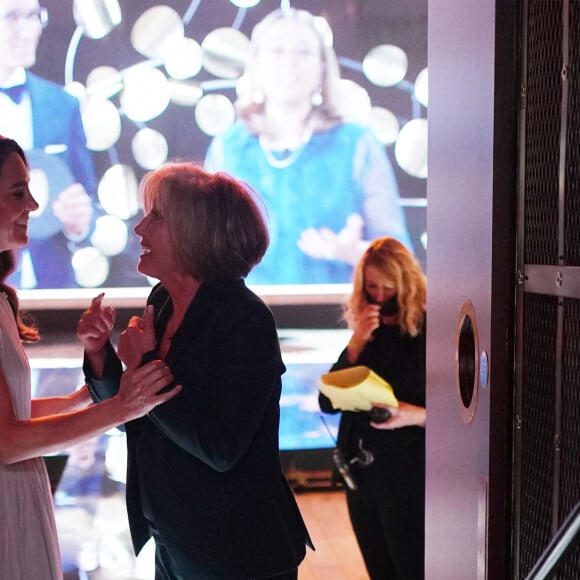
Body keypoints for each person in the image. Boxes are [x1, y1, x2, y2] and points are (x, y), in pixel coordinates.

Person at [77, 162, 313, 579]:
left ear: (196, 232)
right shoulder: (162, 300)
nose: (139, 230)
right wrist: (100, 354)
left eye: (157, 217)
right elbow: (134, 413)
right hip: (174, 543)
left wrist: (145, 363)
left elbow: (220, 446)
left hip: (238, 555)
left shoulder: (246, 320)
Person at [0, 135, 180, 579]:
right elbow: (7, 441)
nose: (35, 204)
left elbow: (15, 416)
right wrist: (124, 406)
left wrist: (88, 396)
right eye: (18, 192)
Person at [205, 7, 413, 285]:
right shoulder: (228, 148)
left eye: (303, 52)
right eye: (277, 51)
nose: (289, 62)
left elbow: (403, 264)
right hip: (246, 321)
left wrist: (354, 253)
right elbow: (202, 258)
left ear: (323, 67)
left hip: (339, 319)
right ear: (255, 64)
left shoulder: (357, 144)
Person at [319, 236, 426, 579]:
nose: (379, 296)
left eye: (387, 287)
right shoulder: (368, 333)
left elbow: (462, 413)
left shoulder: (430, 331)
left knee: (410, 567)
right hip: (361, 473)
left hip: (407, 475)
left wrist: (411, 414)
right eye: (372, 287)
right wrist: (356, 342)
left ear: (406, 284)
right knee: (378, 569)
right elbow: (327, 401)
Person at [0, 0, 97, 288]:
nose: (27, 30)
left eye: (33, 16)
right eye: (12, 17)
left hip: (51, 290)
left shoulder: (63, 104)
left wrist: (79, 223)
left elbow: (87, 200)